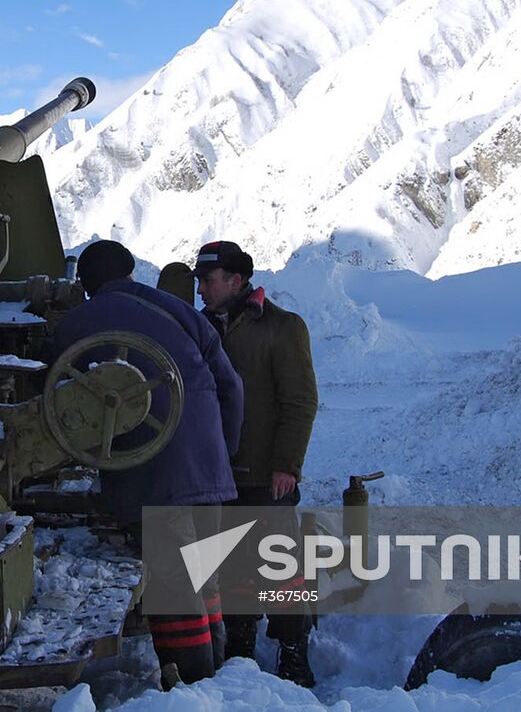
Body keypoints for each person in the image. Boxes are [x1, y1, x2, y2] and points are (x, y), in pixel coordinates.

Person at [50, 240, 243, 687]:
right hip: (208, 467)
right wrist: (220, 455)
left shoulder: (76, 324)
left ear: (84, 285)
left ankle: (194, 688)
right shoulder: (179, 310)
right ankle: (225, 681)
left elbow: (55, 405)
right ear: (131, 272)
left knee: (174, 586)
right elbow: (230, 386)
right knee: (204, 575)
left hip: (151, 471)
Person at [194, 240, 319, 687]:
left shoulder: (283, 328)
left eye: (208, 281)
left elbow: (300, 401)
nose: (201, 289)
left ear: (236, 280)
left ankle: (293, 651)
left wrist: (287, 465)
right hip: (219, 475)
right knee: (232, 566)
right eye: (199, 281)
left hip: (268, 474)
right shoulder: (200, 327)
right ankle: (241, 644)